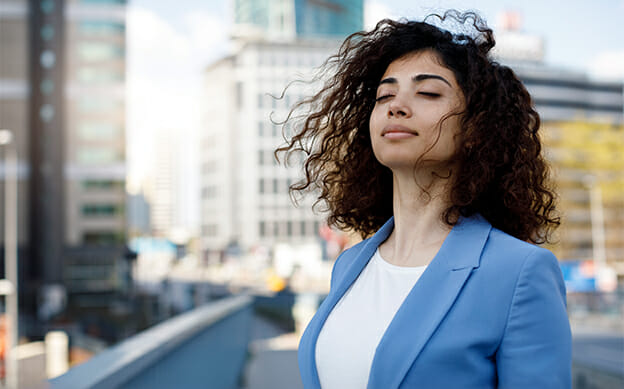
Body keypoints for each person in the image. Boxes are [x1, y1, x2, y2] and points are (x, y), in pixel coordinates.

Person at [276, 10, 571, 389]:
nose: (396, 106)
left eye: (428, 92)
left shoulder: (520, 273)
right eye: (385, 95)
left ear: (475, 129)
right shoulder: (349, 265)